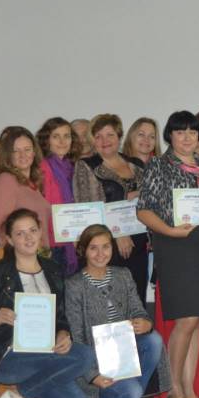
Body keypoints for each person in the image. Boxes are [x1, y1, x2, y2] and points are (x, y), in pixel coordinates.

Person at [0, 209, 94, 398]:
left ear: (41, 232)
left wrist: (63, 333)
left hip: (46, 353)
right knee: (85, 355)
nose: (28, 237)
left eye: (32, 230)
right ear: (9, 239)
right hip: (8, 354)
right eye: (20, 233)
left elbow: (61, 317)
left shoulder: (53, 269)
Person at [136, 111, 199, 398]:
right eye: (180, 132)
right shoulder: (158, 165)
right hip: (174, 245)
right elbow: (143, 210)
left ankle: (189, 388)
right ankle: (174, 388)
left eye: (192, 132)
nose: (187, 138)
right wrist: (170, 231)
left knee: (197, 321)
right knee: (185, 320)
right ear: (170, 136)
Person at [65, 224, 169, 398]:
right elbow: (77, 337)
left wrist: (146, 323)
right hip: (95, 365)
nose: (100, 254)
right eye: (93, 248)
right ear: (83, 250)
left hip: (123, 358)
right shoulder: (74, 285)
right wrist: (92, 375)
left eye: (105, 247)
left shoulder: (123, 275)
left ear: (112, 248)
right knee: (131, 392)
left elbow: (138, 310)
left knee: (153, 339)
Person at [74, 114, 149, 300]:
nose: (104, 141)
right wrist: (118, 232)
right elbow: (89, 209)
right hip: (107, 246)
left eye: (110, 135)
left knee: (136, 299)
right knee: (111, 303)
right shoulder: (86, 166)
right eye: (98, 136)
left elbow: (150, 200)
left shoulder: (137, 164)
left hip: (140, 243)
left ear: (119, 136)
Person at [0, 127, 51, 249]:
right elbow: (1, 225)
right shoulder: (6, 180)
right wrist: (15, 256)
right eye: (16, 151)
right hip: (21, 255)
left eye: (27, 149)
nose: (23, 155)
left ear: (34, 152)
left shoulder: (33, 183)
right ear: (8, 155)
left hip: (39, 253)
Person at [38, 117, 81, 274]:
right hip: (52, 243)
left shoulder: (72, 167)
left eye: (66, 136)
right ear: (46, 140)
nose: (62, 141)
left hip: (71, 239)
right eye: (56, 136)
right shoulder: (42, 167)